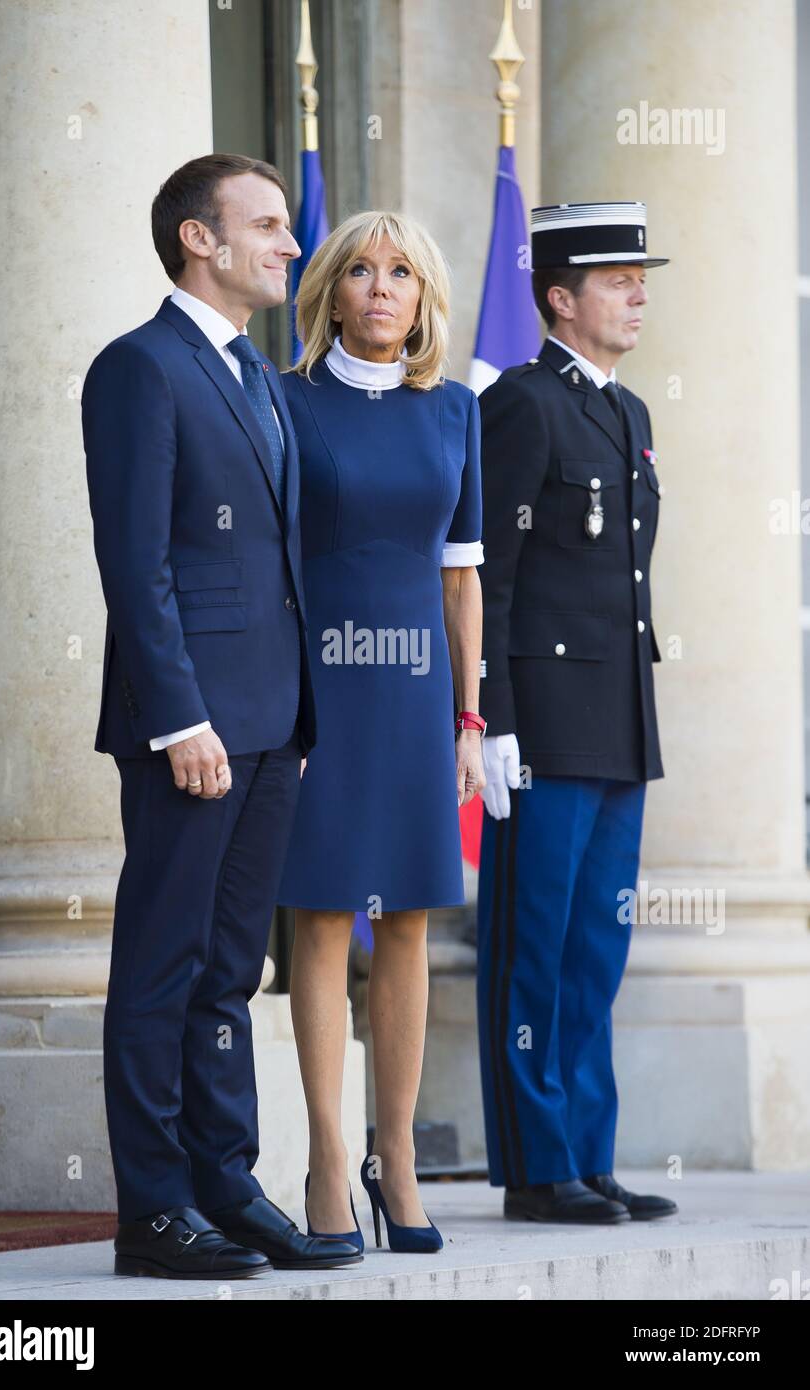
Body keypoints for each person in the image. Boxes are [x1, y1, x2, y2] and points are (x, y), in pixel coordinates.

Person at [82, 153, 361, 1278]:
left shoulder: (257, 376)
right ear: (199, 239)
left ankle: (224, 1181)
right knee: (163, 960)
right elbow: (135, 561)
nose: (292, 245)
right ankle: (152, 1209)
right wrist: (177, 716)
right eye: (270, 225)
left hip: (273, 720)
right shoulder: (138, 369)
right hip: (190, 726)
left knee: (230, 971)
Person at [275, 211, 486, 1252]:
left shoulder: (455, 411)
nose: (380, 287)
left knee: (406, 920)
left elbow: (463, 574)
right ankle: (323, 1160)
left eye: (401, 272)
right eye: (359, 269)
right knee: (319, 917)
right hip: (319, 692)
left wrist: (469, 718)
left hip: (414, 699)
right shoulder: (284, 400)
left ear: (425, 297)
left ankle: (394, 1158)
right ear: (330, 292)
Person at [476, 201, 678, 1223]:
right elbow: (491, 573)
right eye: (617, 278)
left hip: (615, 716)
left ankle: (590, 1154)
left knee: (598, 950)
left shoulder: (628, 411)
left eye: (641, 276)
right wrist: (493, 716)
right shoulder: (521, 404)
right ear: (560, 298)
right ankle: (536, 1163)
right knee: (536, 946)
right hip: (544, 723)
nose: (639, 291)